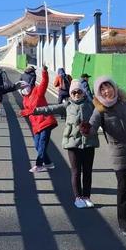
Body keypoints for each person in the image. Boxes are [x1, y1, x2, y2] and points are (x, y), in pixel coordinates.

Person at [81, 76, 126, 236]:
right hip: (118, 151)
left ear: (114, 87)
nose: (107, 91)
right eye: (102, 89)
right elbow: (92, 128)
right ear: (99, 93)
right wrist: (86, 130)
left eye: (109, 87)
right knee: (123, 188)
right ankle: (124, 224)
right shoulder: (99, 110)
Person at [32, 79, 99, 208]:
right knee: (75, 172)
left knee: (87, 171)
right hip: (72, 144)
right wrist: (35, 110)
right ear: (70, 94)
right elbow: (50, 108)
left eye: (79, 91)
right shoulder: (67, 105)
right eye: (73, 92)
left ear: (84, 93)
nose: (76, 94)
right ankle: (78, 197)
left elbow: (103, 114)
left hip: (89, 143)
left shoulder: (91, 105)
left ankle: (87, 196)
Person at [20, 65, 58, 173]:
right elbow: (29, 112)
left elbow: (44, 82)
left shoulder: (37, 91)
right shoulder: (25, 99)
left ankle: (39, 165)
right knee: (37, 146)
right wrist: (24, 113)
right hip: (36, 125)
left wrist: (44, 71)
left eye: (24, 87)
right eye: (21, 88)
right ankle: (49, 163)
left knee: (41, 144)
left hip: (46, 121)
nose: (23, 90)